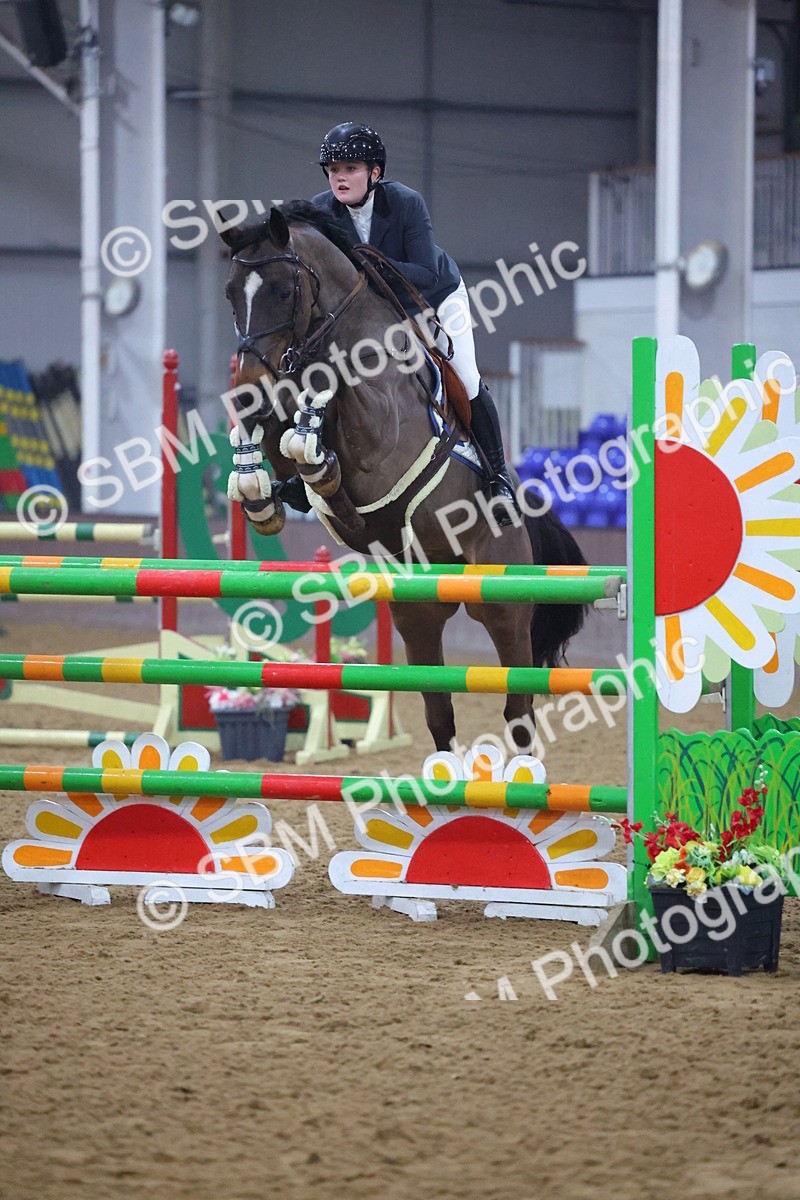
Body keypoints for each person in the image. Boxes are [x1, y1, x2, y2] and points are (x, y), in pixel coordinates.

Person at [310, 121, 517, 523]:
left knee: (466, 377)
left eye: (350, 168)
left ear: (375, 172)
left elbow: (424, 270)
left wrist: (371, 264)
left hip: (433, 298)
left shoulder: (405, 203)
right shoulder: (322, 210)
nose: (340, 177)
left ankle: (498, 479)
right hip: (374, 313)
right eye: (333, 169)